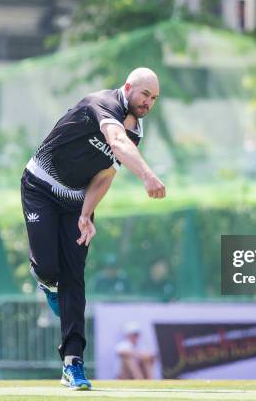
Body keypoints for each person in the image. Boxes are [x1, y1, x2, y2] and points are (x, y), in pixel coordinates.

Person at [21, 67, 165, 390]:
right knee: (48, 269)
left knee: (74, 276)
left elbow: (104, 175)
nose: (148, 103)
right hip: (41, 186)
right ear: (128, 87)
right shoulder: (101, 104)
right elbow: (115, 141)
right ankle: (45, 281)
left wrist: (86, 214)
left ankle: (72, 364)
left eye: (154, 98)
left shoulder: (136, 131)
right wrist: (146, 175)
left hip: (76, 201)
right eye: (144, 95)